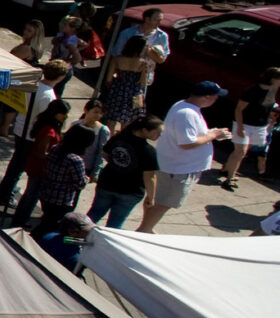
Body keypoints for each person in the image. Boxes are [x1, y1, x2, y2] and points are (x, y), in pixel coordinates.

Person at [144, 82, 230, 232]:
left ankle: (147, 227)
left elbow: (188, 135)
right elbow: (187, 143)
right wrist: (213, 135)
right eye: (216, 97)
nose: (216, 100)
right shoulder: (187, 114)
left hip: (174, 166)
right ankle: (144, 230)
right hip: (178, 169)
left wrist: (211, 134)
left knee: (157, 199)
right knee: (164, 202)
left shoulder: (184, 106)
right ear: (207, 97)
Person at [0, 60, 69, 209]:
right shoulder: (48, 96)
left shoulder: (33, 85)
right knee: (19, 166)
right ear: (61, 77)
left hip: (20, 128)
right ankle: (6, 194)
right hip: (31, 135)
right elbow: (44, 118)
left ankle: (6, 188)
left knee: (16, 162)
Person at [88, 115, 163, 230]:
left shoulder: (119, 138)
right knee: (115, 224)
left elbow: (105, 153)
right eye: (157, 132)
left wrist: (117, 163)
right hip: (130, 191)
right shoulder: (148, 152)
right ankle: (107, 245)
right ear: (144, 130)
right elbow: (150, 178)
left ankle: (73, 238)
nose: (160, 135)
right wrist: (151, 197)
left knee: (93, 215)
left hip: (107, 184)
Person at [10, 99, 72, 230]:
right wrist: (54, 159)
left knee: (30, 195)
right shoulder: (49, 130)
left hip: (38, 166)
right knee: (32, 196)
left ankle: (20, 219)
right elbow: (40, 152)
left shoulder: (48, 126)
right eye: (63, 113)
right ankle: (19, 221)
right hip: (39, 168)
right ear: (55, 113)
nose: (66, 117)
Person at [0, 21, 46, 136]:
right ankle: (3, 129)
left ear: (36, 34)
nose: (25, 32)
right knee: (11, 105)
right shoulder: (36, 49)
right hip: (20, 79)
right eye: (25, 29)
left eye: (29, 31)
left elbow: (10, 60)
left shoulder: (26, 48)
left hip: (11, 77)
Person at [223, 66, 279, 191]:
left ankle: (227, 168)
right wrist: (240, 127)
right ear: (273, 79)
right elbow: (239, 109)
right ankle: (229, 179)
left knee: (242, 151)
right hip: (245, 124)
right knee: (240, 152)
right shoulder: (253, 91)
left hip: (259, 125)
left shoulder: (272, 90)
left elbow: (266, 106)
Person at [30, 126, 94, 235]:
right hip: (62, 200)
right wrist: (87, 179)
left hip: (46, 193)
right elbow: (80, 184)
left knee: (47, 220)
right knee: (50, 227)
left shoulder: (55, 148)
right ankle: (35, 241)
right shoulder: (76, 160)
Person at [97, 34, 151, 129]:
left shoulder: (117, 59)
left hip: (117, 90)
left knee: (111, 120)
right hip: (135, 92)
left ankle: (108, 139)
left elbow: (109, 79)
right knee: (129, 120)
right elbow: (143, 82)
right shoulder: (144, 63)